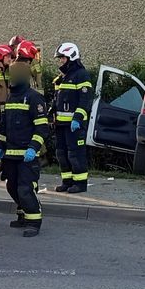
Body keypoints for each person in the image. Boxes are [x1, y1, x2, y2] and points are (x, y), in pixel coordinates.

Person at [0, 61, 50, 237]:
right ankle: (23, 215)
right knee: (12, 186)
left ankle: (34, 221)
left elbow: (42, 127)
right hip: (11, 154)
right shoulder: (11, 98)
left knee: (25, 189)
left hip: (28, 155)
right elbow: (4, 126)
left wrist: (33, 148)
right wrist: (0, 145)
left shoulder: (34, 98)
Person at [52, 42, 93, 193]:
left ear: (71, 57)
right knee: (61, 154)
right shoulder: (62, 77)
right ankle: (67, 181)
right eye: (60, 58)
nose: (61, 61)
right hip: (61, 124)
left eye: (63, 58)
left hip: (74, 125)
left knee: (75, 154)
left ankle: (80, 184)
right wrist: (53, 115)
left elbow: (85, 100)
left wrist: (77, 118)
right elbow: (57, 100)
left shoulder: (81, 75)